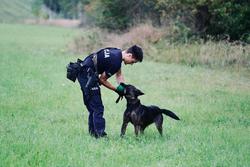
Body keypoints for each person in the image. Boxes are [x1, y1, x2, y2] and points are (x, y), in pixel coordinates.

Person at [77, 45, 143, 138]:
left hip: (84, 71)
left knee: (93, 107)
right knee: (97, 107)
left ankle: (93, 133)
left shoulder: (117, 53)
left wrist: (123, 86)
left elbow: (119, 74)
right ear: (129, 55)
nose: (132, 64)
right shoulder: (115, 61)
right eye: (133, 62)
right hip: (86, 75)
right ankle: (100, 136)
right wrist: (116, 90)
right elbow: (102, 80)